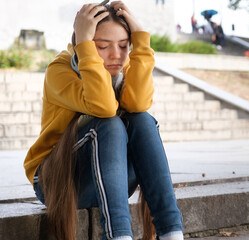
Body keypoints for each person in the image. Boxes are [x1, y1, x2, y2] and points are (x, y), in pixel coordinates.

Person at [23, 1, 183, 240]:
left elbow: (138, 105)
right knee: (109, 124)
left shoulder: (124, 65)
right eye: (102, 46)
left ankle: (172, 233)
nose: (116, 56)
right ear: (85, 44)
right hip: (57, 181)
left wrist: (141, 38)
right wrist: (85, 46)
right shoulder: (60, 70)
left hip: (110, 178)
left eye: (123, 46)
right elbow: (104, 107)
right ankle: (118, 236)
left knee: (143, 120)